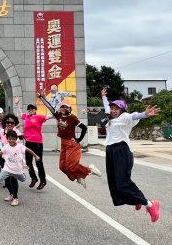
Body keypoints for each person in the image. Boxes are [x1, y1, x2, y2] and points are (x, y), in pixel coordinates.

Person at [101, 88, 162, 223]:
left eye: (117, 108)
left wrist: (145, 114)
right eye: (112, 108)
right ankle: (136, 200)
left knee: (122, 184)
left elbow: (135, 115)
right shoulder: (109, 116)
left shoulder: (125, 117)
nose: (113, 110)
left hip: (122, 151)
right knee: (115, 185)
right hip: (110, 150)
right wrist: (104, 97)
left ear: (122, 110)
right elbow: (106, 106)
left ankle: (150, 205)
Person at [39, 96, 102, 188]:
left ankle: (90, 169)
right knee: (62, 167)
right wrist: (41, 97)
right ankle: (77, 176)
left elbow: (84, 128)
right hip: (63, 143)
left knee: (70, 167)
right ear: (60, 108)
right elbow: (49, 106)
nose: (64, 108)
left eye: (66, 107)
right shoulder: (58, 115)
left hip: (72, 144)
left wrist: (78, 139)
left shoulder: (72, 117)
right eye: (62, 106)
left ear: (70, 108)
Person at [0, 130, 40, 206]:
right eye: (9, 139)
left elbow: (28, 150)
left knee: (23, 179)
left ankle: (25, 169)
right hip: (8, 169)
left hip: (18, 170)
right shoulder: (6, 147)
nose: (11, 140)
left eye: (13, 139)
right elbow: (0, 153)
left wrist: (36, 156)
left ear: (16, 139)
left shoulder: (20, 146)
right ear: (7, 139)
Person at [14, 96, 49, 190]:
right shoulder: (26, 117)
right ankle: (34, 178)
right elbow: (20, 113)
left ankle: (43, 181)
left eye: (32, 108)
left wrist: (54, 109)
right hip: (28, 142)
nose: (30, 110)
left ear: (35, 110)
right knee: (28, 163)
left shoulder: (39, 117)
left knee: (38, 162)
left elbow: (50, 116)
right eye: (29, 109)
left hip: (37, 143)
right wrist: (17, 104)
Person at [0, 113, 23, 201]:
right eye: (7, 122)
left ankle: (16, 198)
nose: (9, 124)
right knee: (7, 178)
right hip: (3, 157)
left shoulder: (17, 132)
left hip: (14, 159)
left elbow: (20, 144)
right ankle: (11, 194)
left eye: (12, 123)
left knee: (13, 178)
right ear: (5, 123)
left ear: (14, 123)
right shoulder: (2, 131)